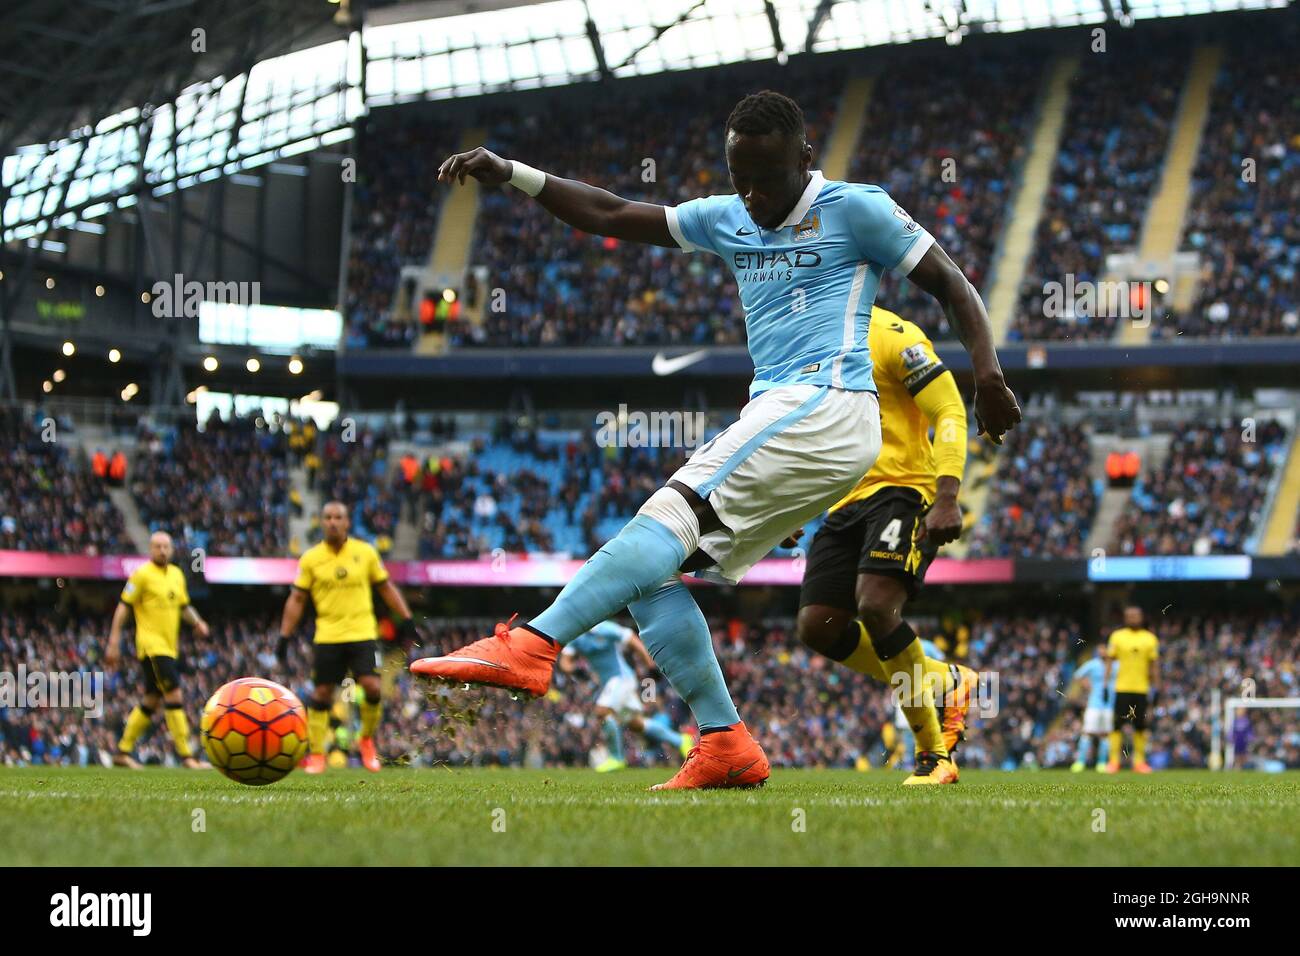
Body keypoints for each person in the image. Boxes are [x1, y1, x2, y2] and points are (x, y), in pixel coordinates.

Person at [411, 89, 1021, 790]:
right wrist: (514, 173)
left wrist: (989, 375)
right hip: (791, 417)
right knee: (652, 572)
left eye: (766, 177)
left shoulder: (857, 209)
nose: (753, 194)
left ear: (805, 157)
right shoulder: (727, 218)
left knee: (660, 520)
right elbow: (609, 211)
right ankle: (725, 739)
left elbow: (950, 281)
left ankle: (533, 643)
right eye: (739, 177)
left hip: (828, 402)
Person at [793, 304, 977, 784]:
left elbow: (949, 408)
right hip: (843, 502)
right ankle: (945, 680)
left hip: (904, 488)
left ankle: (934, 756)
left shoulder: (894, 334)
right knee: (818, 627)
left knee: (876, 606)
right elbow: (802, 434)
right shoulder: (804, 341)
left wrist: (948, 494)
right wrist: (783, 506)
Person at [277, 501, 418, 774]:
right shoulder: (311, 559)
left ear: (347, 522)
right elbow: (296, 599)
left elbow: (386, 588)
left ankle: (365, 739)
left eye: (337, 517)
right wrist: (284, 636)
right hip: (328, 636)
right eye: (327, 517)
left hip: (362, 633)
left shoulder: (365, 553)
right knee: (322, 693)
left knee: (373, 687)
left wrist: (408, 620)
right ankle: (317, 755)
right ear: (322, 522)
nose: (332, 522)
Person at [105, 531, 209, 769]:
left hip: (170, 648)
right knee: (174, 695)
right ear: (150, 549)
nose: (162, 550)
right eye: (157, 546)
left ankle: (122, 752)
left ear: (172, 549)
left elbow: (184, 606)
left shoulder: (176, 575)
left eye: (166, 546)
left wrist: (198, 622)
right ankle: (187, 756)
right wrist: (114, 640)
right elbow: (123, 608)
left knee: (151, 700)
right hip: (152, 647)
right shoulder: (141, 575)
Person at [559, 620, 694, 772]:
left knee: (602, 711)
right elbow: (565, 661)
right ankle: (680, 740)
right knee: (635, 723)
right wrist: (574, 670)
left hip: (622, 679)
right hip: (611, 685)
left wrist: (649, 664)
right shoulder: (576, 636)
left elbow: (633, 641)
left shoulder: (604, 628)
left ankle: (616, 758)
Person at [1101, 605, 1159, 773]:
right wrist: (1105, 685)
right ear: (1125, 618)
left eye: (1136, 615)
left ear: (1141, 617)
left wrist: (1157, 688)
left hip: (1141, 689)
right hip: (1122, 688)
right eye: (1129, 616)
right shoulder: (1117, 637)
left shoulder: (1150, 639)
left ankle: (1139, 762)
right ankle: (1114, 762)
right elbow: (1109, 663)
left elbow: (1154, 666)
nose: (1133, 618)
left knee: (1140, 726)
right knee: (1117, 725)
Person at [1069, 643, 1116, 772]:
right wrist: (1088, 686)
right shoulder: (1093, 664)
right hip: (1094, 703)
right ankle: (1080, 762)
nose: (1101, 652)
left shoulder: (1115, 665)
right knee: (1087, 732)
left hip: (1109, 704)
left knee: (1105, 734)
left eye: (1104, 649)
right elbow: (1078, 675)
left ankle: (1102, 763)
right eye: (1099, 649)